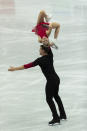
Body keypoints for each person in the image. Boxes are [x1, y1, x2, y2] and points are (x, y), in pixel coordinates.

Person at [8, 45, 67, 126]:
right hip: (56, 79)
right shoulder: (50, 56)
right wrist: (48, 43)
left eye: (40, 49)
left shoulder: (40, 60)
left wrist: (14, 69)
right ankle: (63, 115)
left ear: (43, 51)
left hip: (51, 81)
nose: (39, 50)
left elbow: (26, 66)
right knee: (56, 96)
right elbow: (50, 49)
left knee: (49, 99)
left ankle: (56, 118)